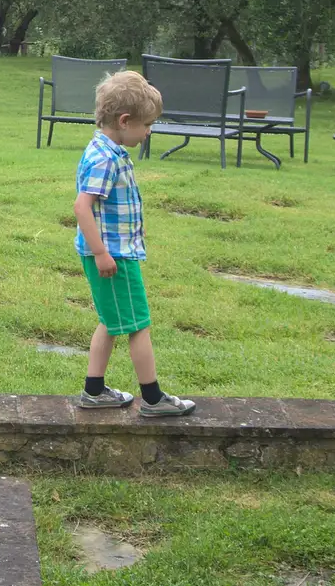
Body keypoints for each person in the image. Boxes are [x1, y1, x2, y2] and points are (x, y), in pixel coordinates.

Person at [71, 70, 195, 417]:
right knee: (139, 325)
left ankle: (93, 391)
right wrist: (101, 254)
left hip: (112, 254)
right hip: (115, 257)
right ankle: (153, 399)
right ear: (124, 121)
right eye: (146, 125)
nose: (149, 131)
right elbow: (82, 207)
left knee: (110, 321)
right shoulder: (106, 159)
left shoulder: (102, 148)